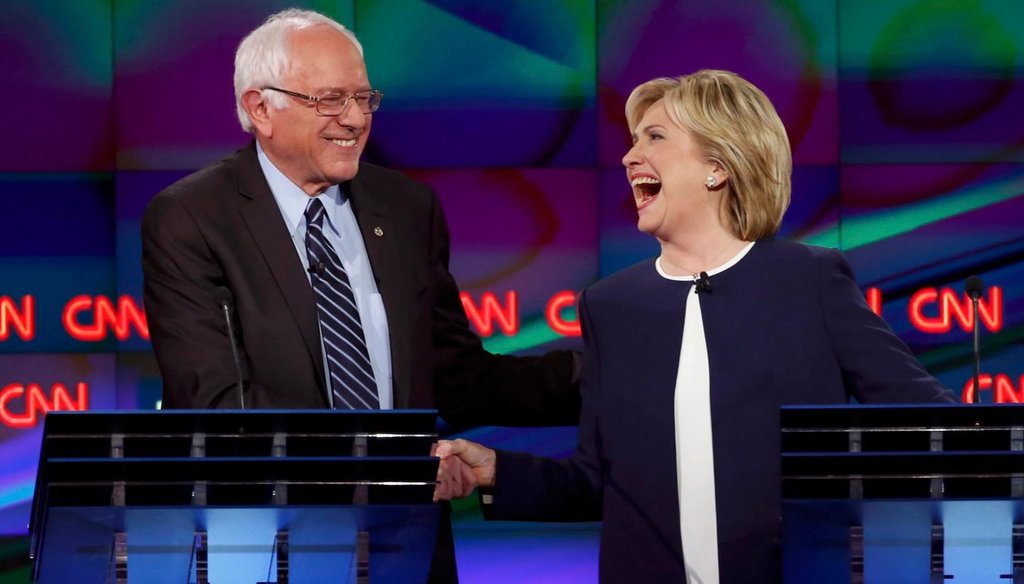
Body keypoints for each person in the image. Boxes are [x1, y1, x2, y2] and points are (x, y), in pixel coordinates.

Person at [435, 69, 958, 583]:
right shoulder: (611, 305)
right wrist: (497, 472)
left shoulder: (809, 280)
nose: (628, 156)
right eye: (633, 140)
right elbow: (600, 482)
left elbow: (931, 423)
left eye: (654, 137)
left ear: (718, 165)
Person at [140, 8, 580, 583]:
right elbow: (220, 405)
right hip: (270, 546)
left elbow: (456, 378)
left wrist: (601, 378)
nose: (353, 119)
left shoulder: (404, 208)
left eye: (364, 98)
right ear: (259, 108)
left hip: (406, 544)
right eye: (328, 100)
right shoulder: (194, 219)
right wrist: (389, 463)